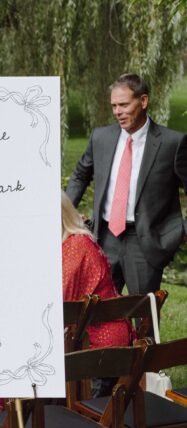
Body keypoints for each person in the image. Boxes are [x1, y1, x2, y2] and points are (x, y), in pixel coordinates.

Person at [66, 73, 187, 294]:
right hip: (104, 238)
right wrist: (65, 214)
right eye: (113, 106)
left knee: (144, 319)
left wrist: (180, 231)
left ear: (143, 101)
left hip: (145, 243)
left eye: (123, 105)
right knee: (96, 314)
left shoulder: (172, 143)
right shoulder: (100, 138)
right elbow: (80, 175)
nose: (117, 112)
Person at [61, 192, 132, 349]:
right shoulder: (71, 242)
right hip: (82, 335)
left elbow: (62, 301)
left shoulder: (76, 246)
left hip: (98, 339)